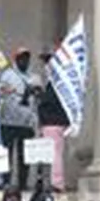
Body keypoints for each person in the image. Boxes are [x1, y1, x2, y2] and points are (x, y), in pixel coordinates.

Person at [0, 48, 40, 190]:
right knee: (7, 154)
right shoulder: (7, 75)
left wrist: (35, 92)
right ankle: (7, 181)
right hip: (8, 120)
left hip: (26, 121)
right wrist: (11, 91)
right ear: (16, 59)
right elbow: (0, 92)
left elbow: (39, 96)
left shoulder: (34, 77)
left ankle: (23, 182)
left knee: (24, 155)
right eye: (21, 58)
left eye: (27, 58)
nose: (24, 61)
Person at [36, 51, 70, 191]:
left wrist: (40, 96)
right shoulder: (56, 83)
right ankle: (51, 181)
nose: (45, 67)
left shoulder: (56, 84)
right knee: (51, 153)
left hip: (53, 121)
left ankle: (56, 182)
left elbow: (50, 102)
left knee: (54, 153)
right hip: (52, 122)